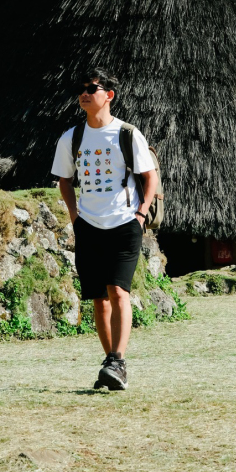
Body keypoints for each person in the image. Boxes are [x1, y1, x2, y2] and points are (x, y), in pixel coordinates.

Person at [52, 69, 158, 390]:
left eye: (92, 88)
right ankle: (110, 362)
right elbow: (65, 181)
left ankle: (118, 360)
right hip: (89, 226)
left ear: (108, 95)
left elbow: (149, 177)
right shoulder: (72, 137)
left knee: (118, 291)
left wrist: (140, 215)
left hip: (125, 224)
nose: (84, 93)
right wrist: (74, 216)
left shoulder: (127, 134)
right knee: (99, 299)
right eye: (81, 89)